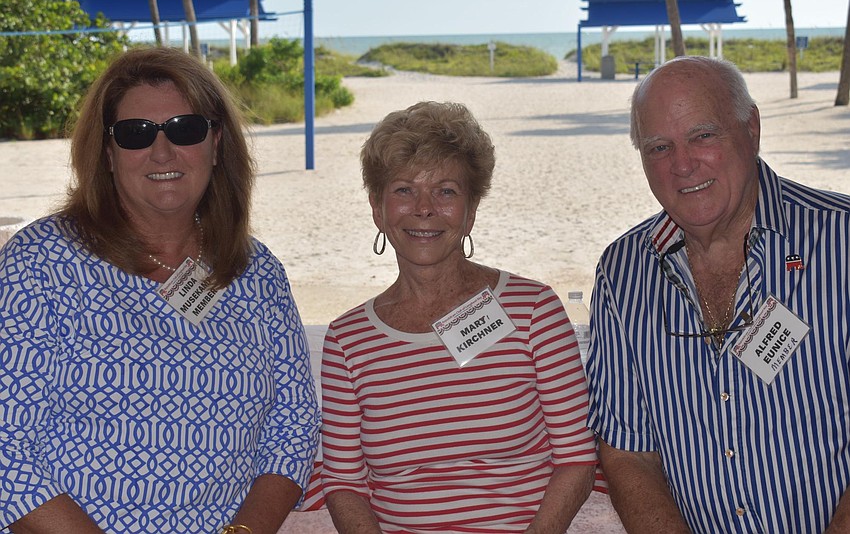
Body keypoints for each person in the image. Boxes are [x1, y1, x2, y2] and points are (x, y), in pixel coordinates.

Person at [0, 47, 320, 533]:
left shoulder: (257, 272)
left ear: (216, 143)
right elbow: (8, 451)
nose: (163, 151)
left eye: (185, 128)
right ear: (107, 153)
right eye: (136, 134)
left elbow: (293, 425)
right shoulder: (39, 265)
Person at [584, 55, 850, 533]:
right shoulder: (622, 273)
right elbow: (628, 452)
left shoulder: (842, 241)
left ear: (752, 128)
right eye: (659, 147)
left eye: (703, 136)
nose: (683, 165)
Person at [319, 101, 597, 533]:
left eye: (446, 191)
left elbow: (577, 458)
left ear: (471, 211)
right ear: (378, 208)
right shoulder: (346, 341)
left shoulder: (534, 310)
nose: (424, 208)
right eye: (404, 189)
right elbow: (343, 483)